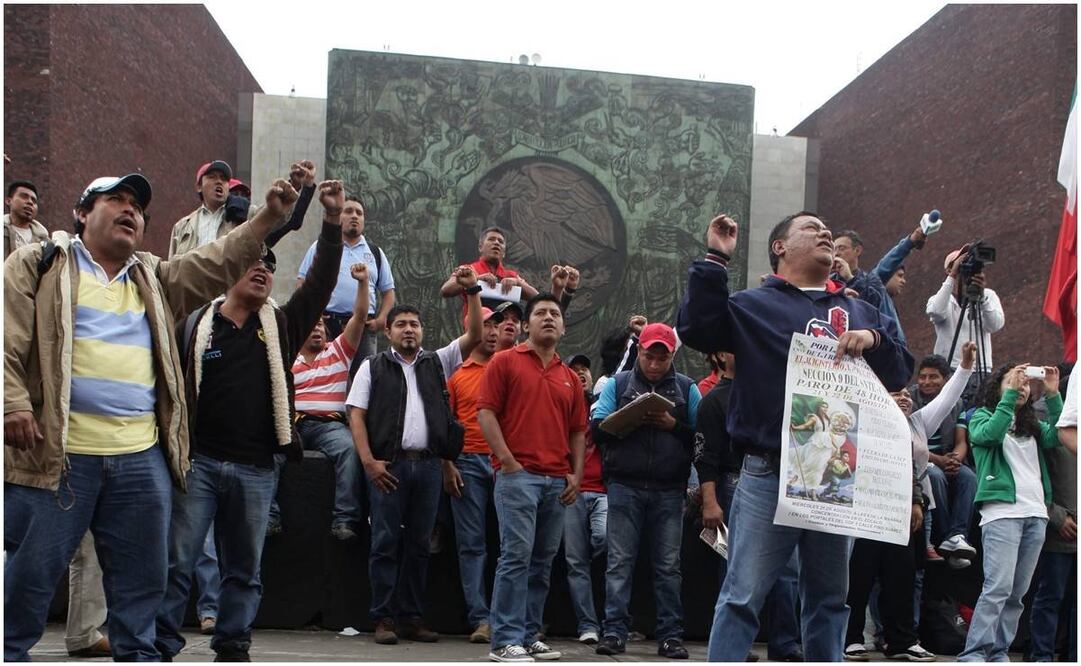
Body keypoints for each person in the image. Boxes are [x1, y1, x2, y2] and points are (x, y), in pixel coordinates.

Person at [4, 172, 288, 661]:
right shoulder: (39, 263)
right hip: (60, 457)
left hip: (140, 459)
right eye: (115, 199)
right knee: (31, 576)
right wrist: (12, 402)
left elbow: (218, 261)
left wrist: (269, 217)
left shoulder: (154, 277)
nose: (129, 210)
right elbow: (5, 339)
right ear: (82, 213)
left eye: (136, 205)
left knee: (143, 586)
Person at [677, 211, 913, 662]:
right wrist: (714, 259)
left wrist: (873, 338)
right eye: (811, 228)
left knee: (829, 599)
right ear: (780, 248)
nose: (826, 232)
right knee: (743, 594)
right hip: (769, 470)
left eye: (828, 229)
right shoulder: (752, 306)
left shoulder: (858, 309)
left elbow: (901, 368)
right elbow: (697, 328)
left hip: (834, 474)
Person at [155, 179, 345, 662]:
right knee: (177, 562)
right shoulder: (194, 325)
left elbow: (320, 285)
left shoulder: (280, 326)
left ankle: (233, 643)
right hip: (197, 465)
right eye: (254, 262)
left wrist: (330, 221)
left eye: (269, 266)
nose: (263, 270)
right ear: (230, 271)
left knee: (244, 567)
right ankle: (160, 642)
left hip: (257, 470)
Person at [347, 268, 483, 646]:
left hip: (427, 467)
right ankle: (384, 619)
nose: (409, 330)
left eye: (415, 325)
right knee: (385, 543)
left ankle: (411, 617)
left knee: (421, 546)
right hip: (387, 467)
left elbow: (473, 335)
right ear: (388, 332)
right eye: (402, 324)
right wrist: (369, 462)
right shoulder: (372, 367)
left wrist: (472, 290)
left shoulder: (437, 362)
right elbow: (355, 414)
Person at [843, 341, 977, 663]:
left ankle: (901, 641)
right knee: (860, 575)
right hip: (866, 507)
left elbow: (947, 399)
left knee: (902, 576)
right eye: (895, 393)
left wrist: (966, 366)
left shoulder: (917, 423)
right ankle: (850, 639)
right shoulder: (864, 423)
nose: (904, 397)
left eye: (906, 393)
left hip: (905, 510)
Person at [477, 294, 588, 662]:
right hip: (517, 478)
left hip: (556, 482)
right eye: (540, 313)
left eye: (555, 314)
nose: (548, 318)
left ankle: (527, 633)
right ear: (526, 324)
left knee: (542, 561)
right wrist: (507, 462)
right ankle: (504, 640)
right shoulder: (505, 362)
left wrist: (575, 473)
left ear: (563, 326)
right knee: (516, 557)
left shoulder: (569, 377)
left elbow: (577, 431)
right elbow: (486, 414)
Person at [589, 323, 700, 659]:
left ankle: (669, 635)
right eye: (649, 356)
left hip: (669, 488)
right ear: (639, 351)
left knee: (668, 566)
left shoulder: (686, 388)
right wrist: (630, 418)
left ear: (672, 356)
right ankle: (614, 633)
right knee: (619, 562)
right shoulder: (617, 384)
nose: (654, 364)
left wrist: (673, 426)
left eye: (661, 358)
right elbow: (597, 430)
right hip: (624, 485)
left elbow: (701, 437)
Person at [695, 352, 803, 663]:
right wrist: (710, 501)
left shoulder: (766, 392)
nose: (742, 349)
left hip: (781, 479)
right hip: (733, 483)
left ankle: (785, 643)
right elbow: (705, 458)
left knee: (789, 572)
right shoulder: (712, 401)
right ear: (719, 356)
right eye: (734, 345)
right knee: (739, 575)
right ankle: (735, 649)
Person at [958, 363, 1062, 662]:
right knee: (997, 588)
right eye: (1014, 381)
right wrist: (1010, 396)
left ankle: (999, 652)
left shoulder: (1032, 425)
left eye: (1026, 384)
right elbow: (989, 436)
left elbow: (1056, 438)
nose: (1022, 387)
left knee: (1016, 594)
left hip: (1036, 514)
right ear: (998, 387)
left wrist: (1053, 395)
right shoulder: (981, 416)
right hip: (1002, 513)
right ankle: (974, 653)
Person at [292, 262, 371, 541]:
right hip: (294, 425)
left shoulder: (338, 352)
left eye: (321, 325)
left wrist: (363, 283)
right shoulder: (287, 357)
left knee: (349, 450)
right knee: (268, 451)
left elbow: (360, 317)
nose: (317, 330)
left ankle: (345, 520)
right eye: (311, 325)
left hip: (330, 426)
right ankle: (270, 516)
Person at [444, 305, 506, 644]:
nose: (494, 332)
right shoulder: (457, 375)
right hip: (466, 462)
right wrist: (447, 464)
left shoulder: (508, 370)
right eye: (487, 325)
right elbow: (444, 425)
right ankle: (480, 618)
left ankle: (508, 616)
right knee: (472, 546)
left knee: (509, 545)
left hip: (505, 464)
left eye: (498, 325)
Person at [297, 194, 394, 363]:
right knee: (326, 377)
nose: (354, 216)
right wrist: (312, 314)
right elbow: (302, 283)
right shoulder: (321, 247)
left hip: (364, 329)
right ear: (339, 216)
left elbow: (388, 292)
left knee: (364, 379)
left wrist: (381, 320)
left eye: (359, 213)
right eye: (348, 211)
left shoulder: (375, 252)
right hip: (328, 326)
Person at [1026, 369, 1076, 662]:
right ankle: (1040, 656)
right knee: (1050, 597)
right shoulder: (1046, 422)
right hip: (1059, 528)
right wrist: (1056, 516)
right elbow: (1033, 475)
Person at [910, 354, 978, 568]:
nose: (926, 382)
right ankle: (943, 535)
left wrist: (956, 459)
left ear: (947, 380)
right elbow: (913, 444)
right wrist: (939, 460)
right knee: (935, 476)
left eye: (933, 377)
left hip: (947, 458)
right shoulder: (908, 400)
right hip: (924, 462)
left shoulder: (956, 404)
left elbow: (961, 440)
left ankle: (957, 535)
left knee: (968, 477)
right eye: (922, 377)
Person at [169, 160, 308, 257]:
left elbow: (273, 217)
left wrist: (292, 187)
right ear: (198, 186)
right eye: (212, 177)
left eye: (224, 179)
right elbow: (171, 273)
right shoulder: (182, 226)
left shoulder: (245, 215)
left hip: (231, 297)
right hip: (192, 297)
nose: (219, 181)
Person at [925, 246, 1005, 371]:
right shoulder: (941, 298)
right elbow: (936, 312)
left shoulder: (988, 295)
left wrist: (982, 297)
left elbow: (994, 325)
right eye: (960, 263)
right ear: (948, 270)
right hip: (949, 367)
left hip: (979, 367)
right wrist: (952, 276)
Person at [870, 212, 944, 347]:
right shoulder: (872, 287)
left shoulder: (889, 306)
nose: (903, 281)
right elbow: (885, 265)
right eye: (899, 275)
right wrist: (910, 242)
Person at [442, 226, 539, 310]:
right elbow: (446, 290)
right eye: (491, 239)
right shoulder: (468, 270)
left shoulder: (511, 275)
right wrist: (475, 280)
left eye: (500, 241)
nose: (496, 243)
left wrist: (518, 283)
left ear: (504, 253)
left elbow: (538, 298)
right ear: (480, 247)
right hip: (477, 328)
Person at [831, 230, 888, 313]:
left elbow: (875, 304)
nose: (836, 254)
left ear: (857, 250)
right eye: (834, 250)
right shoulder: (828, 280)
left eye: (841, 248)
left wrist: (850, 278)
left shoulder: (871, 280)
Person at [4, 179, 47, 258]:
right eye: (24, 197)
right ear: (8, 201)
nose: (30, 202)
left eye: (34, 201)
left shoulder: (44, 241)